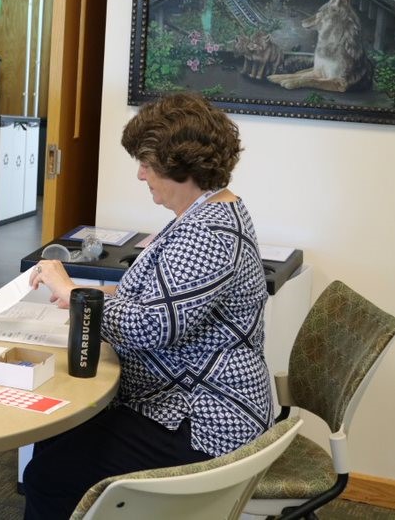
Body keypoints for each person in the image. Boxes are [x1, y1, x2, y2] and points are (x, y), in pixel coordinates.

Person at [23, 92, 273, 519]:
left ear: (179, 166)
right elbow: (160, 299)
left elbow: (151, 327)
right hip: (182, 396)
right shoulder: (205, 213)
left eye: (146, 162)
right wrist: (96, 295)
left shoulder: (208, 232)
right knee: (57, 438)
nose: (140, 175)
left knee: (51, 472)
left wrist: (74, 294)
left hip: (204, 417)